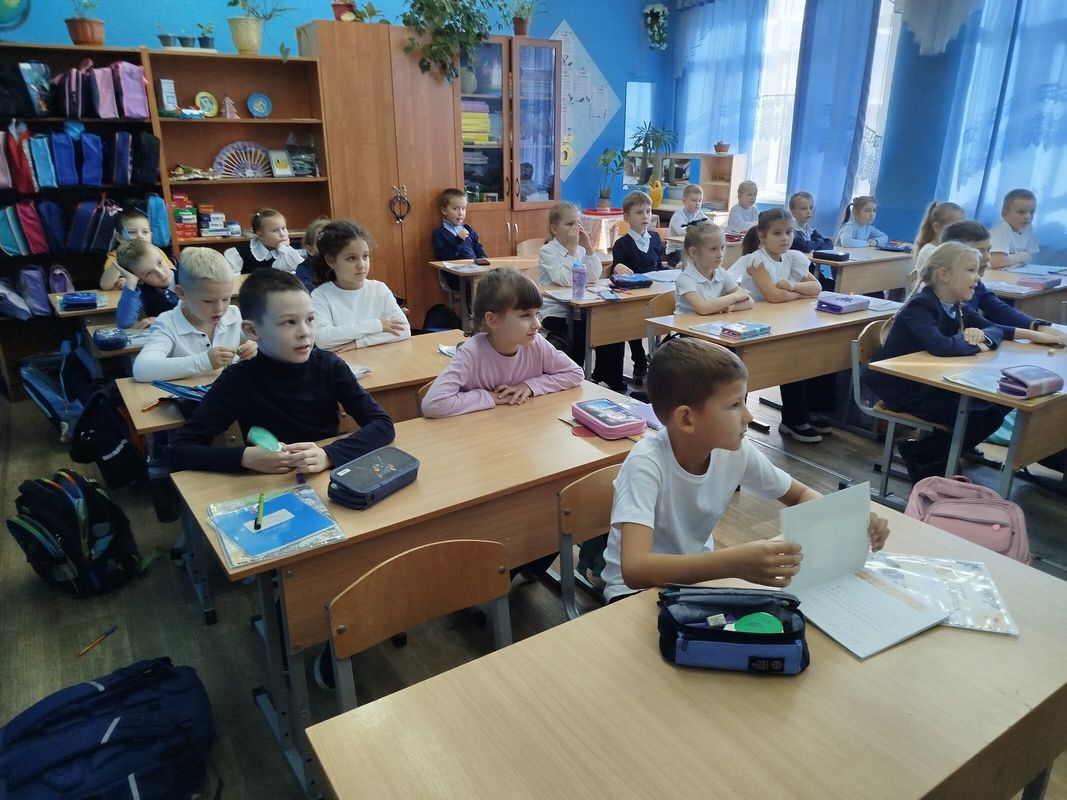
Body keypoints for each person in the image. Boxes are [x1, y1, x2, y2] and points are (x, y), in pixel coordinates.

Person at [600, 337, 889, 603]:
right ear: (686, 419)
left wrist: (847, 519)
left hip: (693, 585)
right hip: (634, 595)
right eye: (734, 405)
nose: (749, 416)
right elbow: (635, 569)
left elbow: (800, 495)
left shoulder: (734, 452)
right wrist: (731, 564)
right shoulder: (646, 464)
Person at [169, 269, 394, 474]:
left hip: (325, 476)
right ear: (252, 330)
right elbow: (181, 449)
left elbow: (382, 424)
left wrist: (329, 455)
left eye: (310, 319)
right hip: (268, 485)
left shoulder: (328, 365)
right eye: (289, 322)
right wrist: (244, 457)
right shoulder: (239, 379)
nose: (305, 332)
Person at [863, 241, 1010, 482]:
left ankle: (925, 454)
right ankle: (933, 461)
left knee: (996, 407)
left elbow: (995, 329)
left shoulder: (957, 305)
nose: (978, 277)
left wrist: (983, 336)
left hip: (929, 380)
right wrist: (976, 344)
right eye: (971, 270)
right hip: (899, 385)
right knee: (979, 413)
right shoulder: (921, 305)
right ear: (944, 275)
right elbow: (940, 346)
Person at [421, 267, 583, 418]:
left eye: (537, 314)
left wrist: (529, 386)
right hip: (481, 430)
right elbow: (433, 404)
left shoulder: (537, 344)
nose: (537, 324)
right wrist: (489, 397)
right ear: (492, 320)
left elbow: (575, 373)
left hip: (522, 424)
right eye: (525, 315)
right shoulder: (471, 354)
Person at [730, 208, 831, 444]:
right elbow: (774, 296)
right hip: (747, 326)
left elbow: (816, 288)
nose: (785, 238)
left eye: (789, 232)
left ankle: (797, 416)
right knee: (787, 354)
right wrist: (797, 293)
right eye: (777, 233)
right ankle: (738, 421)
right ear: (762, 237)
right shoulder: (756, 261)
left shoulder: (792, 258)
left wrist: (792, 288)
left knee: (801, 352)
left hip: (777, 321)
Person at [132, 247, 254, 382]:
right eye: (208, 301)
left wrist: (256, 349)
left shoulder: (233, 314)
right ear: (181, 293)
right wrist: (204, 361)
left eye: (226, 299)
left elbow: (263, 340)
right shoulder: (167, 323)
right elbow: (141, 369)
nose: (219, 309)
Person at [537, 201, 625, 387]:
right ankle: (575, 380)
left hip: (581, 309)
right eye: (570, 224)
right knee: (579, 334)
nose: (575, 228)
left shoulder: (580, 249)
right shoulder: (548, 251)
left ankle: (608, 376)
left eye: (578, 223)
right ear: (554, 228)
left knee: (611, 326)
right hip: (557, 311)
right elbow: (564, 279)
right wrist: (571, 250)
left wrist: (589, 249)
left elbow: (593, 276)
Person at [942, 220, 1067, 345]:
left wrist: (1037, 326)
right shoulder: (944, 291)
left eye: (989, 250)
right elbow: (982, 325)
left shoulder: (975, 284)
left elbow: (999, 310)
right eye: (979, 251)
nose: (987, 257)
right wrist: (1033, 334)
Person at [309, 220, 410, 351]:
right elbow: (323, 339)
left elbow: (404, 330)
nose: (361, 265)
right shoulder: (321, 295)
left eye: (365, 256)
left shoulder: (379, 289)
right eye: (351, 258)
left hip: (381, 358)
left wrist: (359, 343)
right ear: (331, 261)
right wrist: (378, 325)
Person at [611, 190, 659, 380]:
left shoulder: (655, 239)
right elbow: (616, 268)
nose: (645, 216)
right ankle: (639, 360)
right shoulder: (622, 244)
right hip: (632, 296)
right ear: (627, 218)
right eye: (639, 212)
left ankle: (658, 360)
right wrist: (618, 267)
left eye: (648, 211)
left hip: (654, 293)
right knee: (633, 325)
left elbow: (658, 266)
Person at [674, 221, 752, 315]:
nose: (720, 254)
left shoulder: (721, 273)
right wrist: (735, 297)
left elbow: (749, 301)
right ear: (693, 253)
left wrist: (729, 307)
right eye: (713, 249)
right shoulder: (685, 278)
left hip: (712, 323)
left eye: (722, 247)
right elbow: (703, 308)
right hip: (686, 324)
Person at [100, 208, 172, 290]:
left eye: (145, 232)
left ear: (151, 236)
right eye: (132, 232)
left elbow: (171, 274)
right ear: (120, 237)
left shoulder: (156, 252)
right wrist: (121, 257)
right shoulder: (116, 257)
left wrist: (137, 282)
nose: (140, 236)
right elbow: (105, 285)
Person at [114, 239, 178, 330]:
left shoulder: (189, 276)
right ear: (139, 279)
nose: (161, 273)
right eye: (149, 273)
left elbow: (199, 315)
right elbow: (124, 323)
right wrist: (131, 282)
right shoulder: (143, 290)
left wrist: (163, 320)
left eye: (159, 263)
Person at [223, 208, 304, 275]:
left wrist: (283, 249)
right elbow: (232, 281)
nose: (282, 234)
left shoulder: (289, 251)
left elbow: (300, 270)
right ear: (260, 235)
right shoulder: (242, 253)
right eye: (275, 230)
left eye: (283, 228)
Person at [906, 201, 964, 293]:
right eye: (954, 228)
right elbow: (951, 277)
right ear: (936, 227)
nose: (959, 233)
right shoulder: (929, 250)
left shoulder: (952, 249)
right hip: (927, 298)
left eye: (962, 228)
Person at [431, 188, 487, 262]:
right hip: (454, 268)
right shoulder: (439, 233)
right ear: (444, 210)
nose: (461, 213)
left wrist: (483, 259)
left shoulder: (468, 229)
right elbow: (443, 258)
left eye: (463, 208)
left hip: (474, 267)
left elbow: (478, 249)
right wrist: (458, 240)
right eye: (455, 209)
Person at [989, 188, 1039, 269]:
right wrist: (1023, 256)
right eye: (1021, 212)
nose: (1027, 216)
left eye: (1031, 212)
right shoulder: (1001, 230)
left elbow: (1030, 257)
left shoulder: (1028, 228)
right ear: (1004, 214)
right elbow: (996, 261)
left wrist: (1021, 258)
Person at [666, 184, 707, 267]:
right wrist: (701, 228)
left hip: (692, 250)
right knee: (686, 265)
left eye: (700, 200)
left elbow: (711, 226)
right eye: (694, 200)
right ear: (684, 201)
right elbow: (682, 232)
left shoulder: (700, 214)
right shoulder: (678, 215)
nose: (697, 203)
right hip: (676, 251)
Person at [295, 215, 330, 292]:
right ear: (310, 250)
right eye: (322, 244)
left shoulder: (340, 264)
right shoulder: (304, 268)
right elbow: (306, 290)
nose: (329, 248)